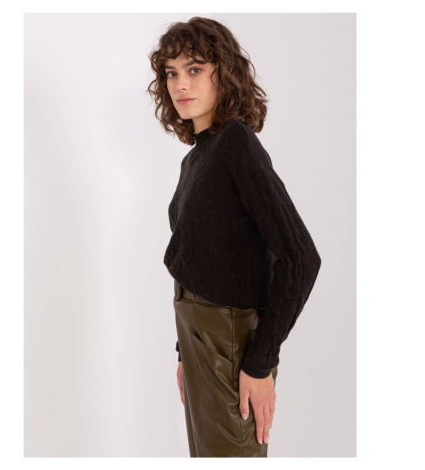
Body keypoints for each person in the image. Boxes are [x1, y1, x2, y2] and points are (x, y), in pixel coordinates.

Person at [147, 17, 321, 457]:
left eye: (195, 69)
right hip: (197, 337)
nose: (180, 84)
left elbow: (301, 256)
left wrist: (261, 363)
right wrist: (185, 352)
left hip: (228, 340)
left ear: (223, 72)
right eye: (171, 72)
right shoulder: (198, 156)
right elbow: (198, 256)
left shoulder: (236, 144)